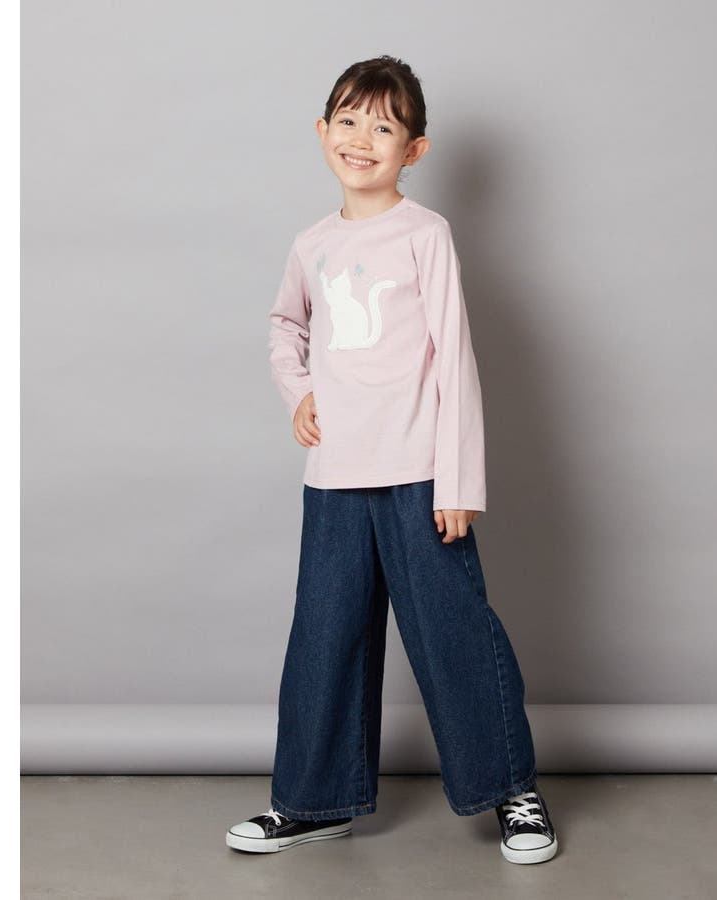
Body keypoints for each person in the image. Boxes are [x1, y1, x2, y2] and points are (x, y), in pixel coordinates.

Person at [226, 55, 558, 865]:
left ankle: (512, 790)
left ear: (414, 150)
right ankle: (312, 802)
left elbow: (455, 358)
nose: (361, 138)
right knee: (325, 638)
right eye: (348, 121)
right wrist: (297, 391)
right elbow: (285, 325)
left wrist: (459, 478)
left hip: (419, 475)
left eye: (383, 127)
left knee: (454, 634)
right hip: (336, 478)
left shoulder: (424, 235)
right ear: (322, 132)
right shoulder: (312, 244)